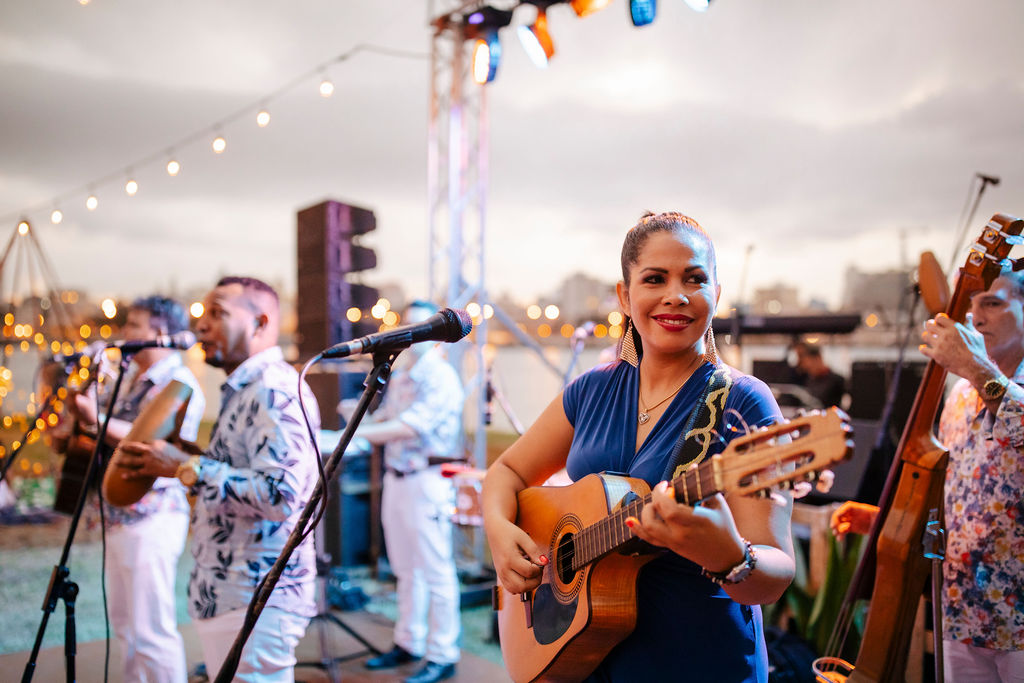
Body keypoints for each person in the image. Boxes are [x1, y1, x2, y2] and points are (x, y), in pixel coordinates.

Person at [482, 212, 796, 682]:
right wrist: (497, 531)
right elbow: (506, 472)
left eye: (695, 279)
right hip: (582, 657)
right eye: (655, 279)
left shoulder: (742, 402)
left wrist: (733, 556)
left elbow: (776, 574)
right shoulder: (591, 391)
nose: (676, 294)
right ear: (625, 297)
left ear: (716, 295)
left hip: (699, 661)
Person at [113, 276, 320, 682]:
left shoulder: (276, 390)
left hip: (258, 594)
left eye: (218, 313)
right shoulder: (245, 389)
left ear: (260, 324)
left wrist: (185, 468)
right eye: (202, 313)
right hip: (231, 591)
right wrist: (186, 456)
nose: (201, 325)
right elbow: (248, 473)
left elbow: (282, 495)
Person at [831, 266, 1024, 680]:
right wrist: (887, 522)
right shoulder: (958, 396)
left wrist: (976, 369)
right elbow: (956, 492)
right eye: (971, 306)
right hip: (961, 610)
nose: (975, 318)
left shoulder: (975, 380)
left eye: (992, 303)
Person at [60, 295, 205, 683]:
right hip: (119, 515)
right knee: (124, 628)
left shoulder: (179, 384)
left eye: (134, 326)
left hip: (152, 516)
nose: (125, 335)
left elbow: (147, 440)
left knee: (151, 631)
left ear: (159, 333)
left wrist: (96, 422)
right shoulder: (132, 380)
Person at [344, 300, 464, 683]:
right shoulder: (404, 371)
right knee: (405, 569)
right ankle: (409, 642)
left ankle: (443, 653)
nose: (412, 332)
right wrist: (356, 411)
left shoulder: (440, 376)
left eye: (420, 325)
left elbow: (411, 426)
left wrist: (353, 434)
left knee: (435, 570)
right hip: (397, 478)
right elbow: (388, 419)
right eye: (408, 324)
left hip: (427, 481)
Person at [792, 340, 847, 408]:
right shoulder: (806, 379)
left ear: (818, 358)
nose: (804, 366)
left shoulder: (837, 380)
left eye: (809, 364)